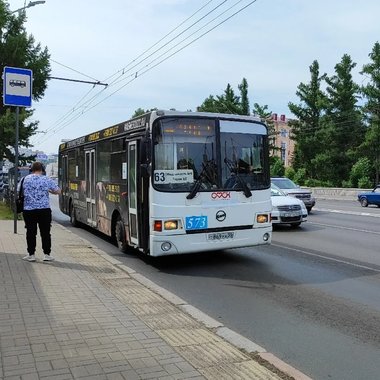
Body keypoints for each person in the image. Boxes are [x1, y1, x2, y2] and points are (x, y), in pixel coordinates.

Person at [21, 161, 61, 262]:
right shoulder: (46, 179)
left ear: (31, 169)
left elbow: (19, 191)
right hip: (44, 210)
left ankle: (31, 254)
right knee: (45, 233)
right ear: (42, 169)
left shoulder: (25, 179)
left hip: (29, 210)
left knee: (30, 232)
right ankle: (47, 254)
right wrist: (49, 191)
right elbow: (58, 191)